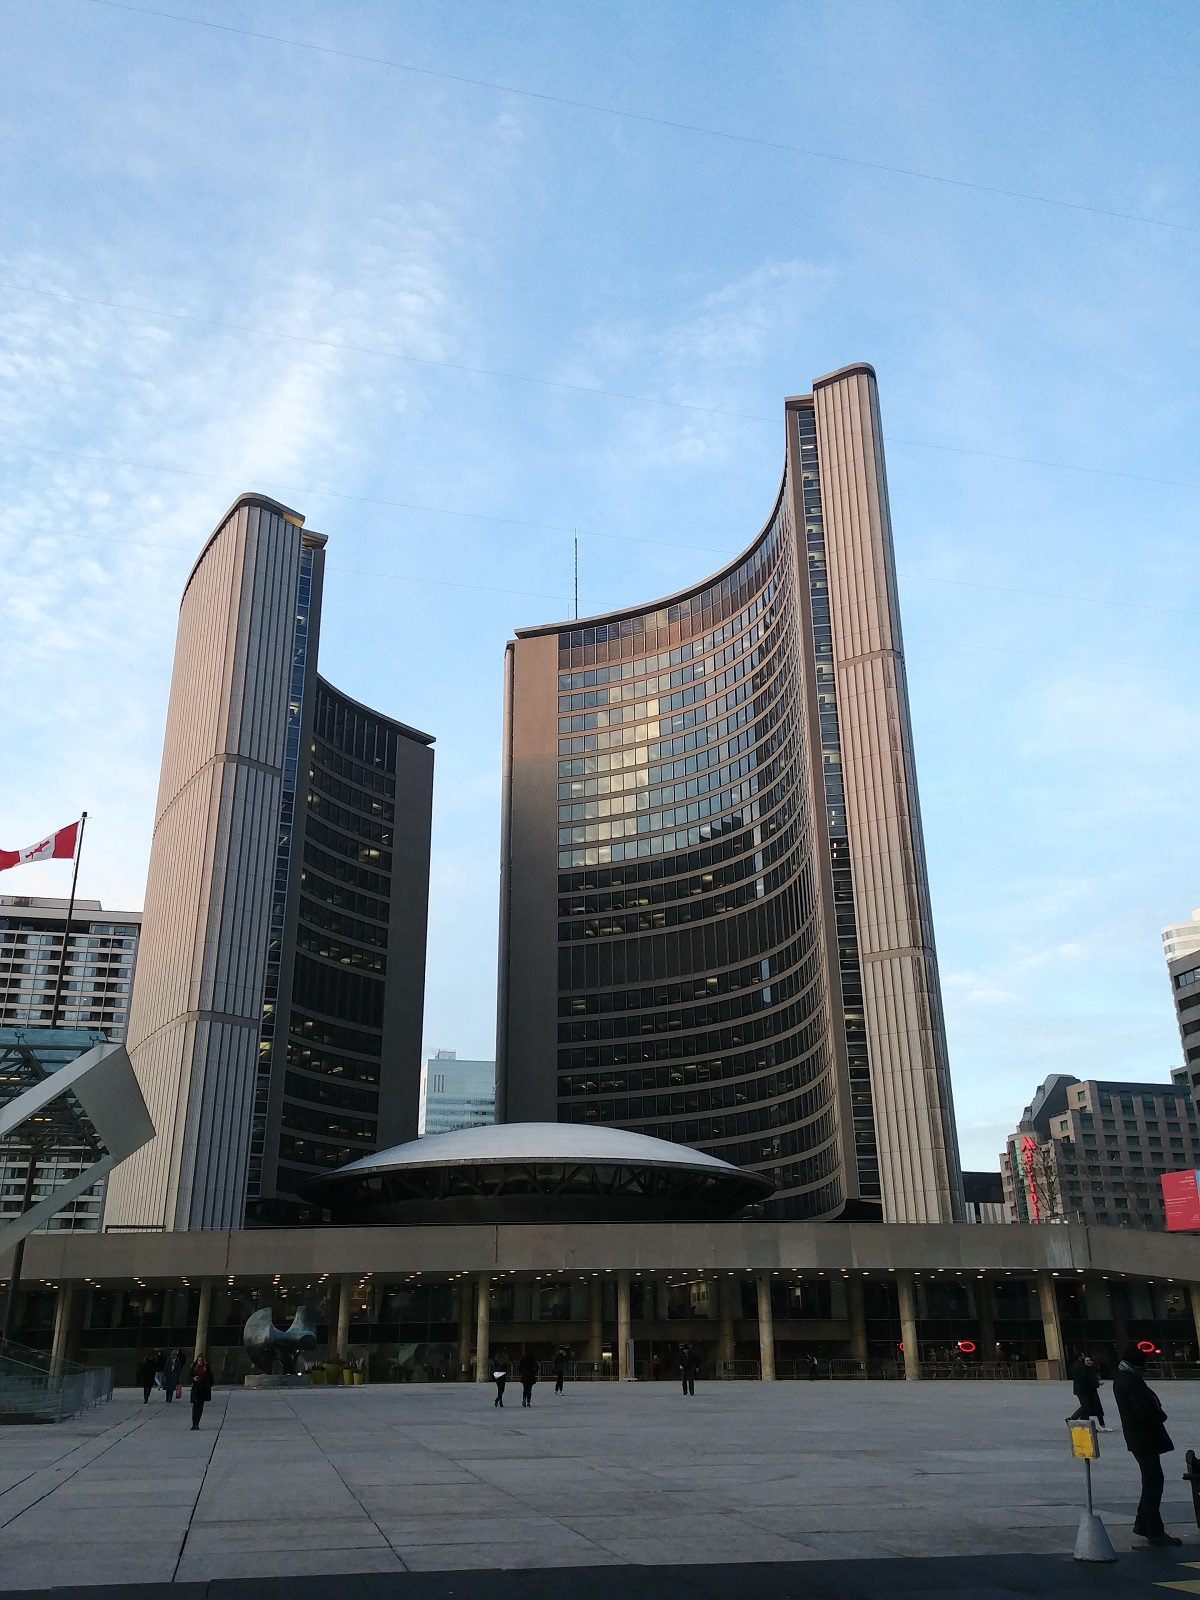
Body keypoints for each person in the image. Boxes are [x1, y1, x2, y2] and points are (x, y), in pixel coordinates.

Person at [1113, 1344, 1181, 1547]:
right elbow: (1141, 1409)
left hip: (1138, 1438)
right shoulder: (1131, 1381)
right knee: (1153, 1482)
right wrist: (1158, 1416)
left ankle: (1145, 1524)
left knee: (1151, 1480)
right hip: (1144, 1437)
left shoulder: (1123, 1378)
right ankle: (1152, 1529)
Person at [1066, 1353, 1106, 1429]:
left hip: (1085, 1390)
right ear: (1079, 1357)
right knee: (1085, 1406)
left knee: (1087, 1407)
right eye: (1083, 1356)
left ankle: (1084, 1423)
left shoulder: (1080, 1365)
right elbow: (1086, 1378)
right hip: (1083, 1390)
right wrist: (1096, 1383)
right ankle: (1072, 1419)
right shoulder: (1079, 1366)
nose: (1084, 1358)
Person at [189, 1353, 214, 1431]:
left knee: (200, 1407)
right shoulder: (194, 1367)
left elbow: (211, 1380)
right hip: (196, 1389)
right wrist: (193, 1379)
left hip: (203, 1390)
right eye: (199, 1360)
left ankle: (197, 1423)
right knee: (195, 1407)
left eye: (201, 1360)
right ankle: (194, 1424)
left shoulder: (207, 1368)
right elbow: (188, 1377)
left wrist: (207, 1384)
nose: (200, 1361)